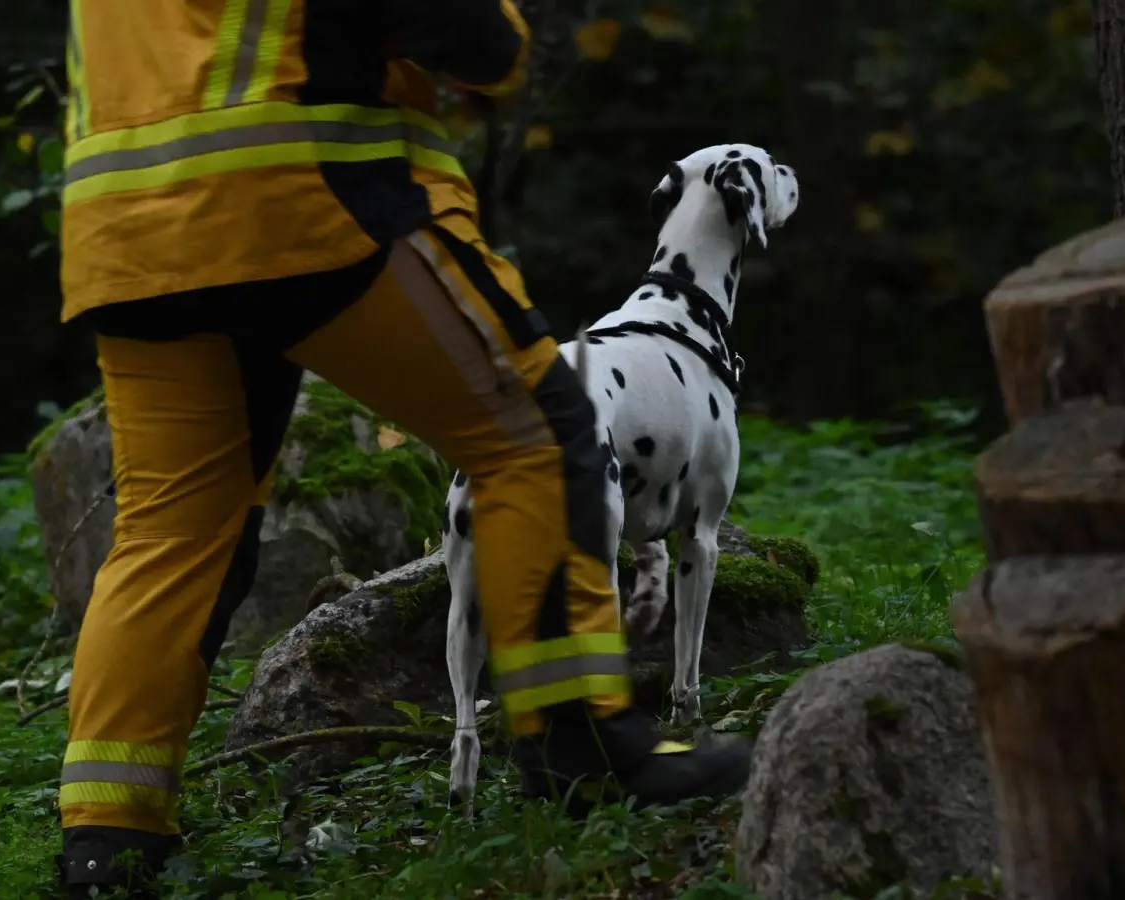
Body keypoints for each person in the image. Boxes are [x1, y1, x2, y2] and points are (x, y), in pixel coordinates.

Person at [54, 1, 753, 894]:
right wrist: (499, 49)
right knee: (540, 432)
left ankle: (108, 843)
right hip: (299, 197)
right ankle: (579, 745)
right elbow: (469, 36)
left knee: (171, 534)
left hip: (122, 231)